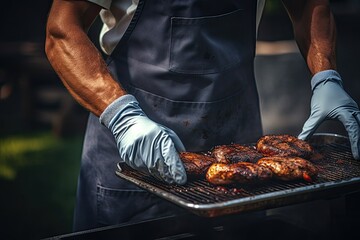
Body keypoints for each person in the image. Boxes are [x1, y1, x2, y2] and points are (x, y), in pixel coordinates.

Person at [45, 0, 360, 232]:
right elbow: (62, 31)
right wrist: (122, 115)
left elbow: (310, 6)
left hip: (241, 154)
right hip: (135, 155)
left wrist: (326, 75)